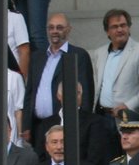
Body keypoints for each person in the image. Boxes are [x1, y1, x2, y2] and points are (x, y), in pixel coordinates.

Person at [24, 13, 95, 151]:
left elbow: (85, 93)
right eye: (51, 28)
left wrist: (82, 125)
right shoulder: (38, 56)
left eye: (59, 27)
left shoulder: (78, 55)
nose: (54, 31)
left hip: (64, 125)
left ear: (68, 29)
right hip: (37, 125)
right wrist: (26, 125)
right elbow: (30, 92)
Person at [91, 9, 139, 119]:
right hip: (101, 117)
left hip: (129, 118)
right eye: (114, 26)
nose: (119, 29)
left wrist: (128, 106)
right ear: (107, 31)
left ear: (129, 28)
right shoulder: (99, 53)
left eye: (123, 25)